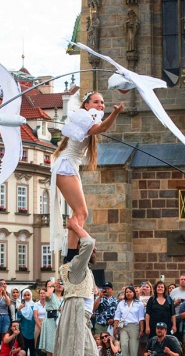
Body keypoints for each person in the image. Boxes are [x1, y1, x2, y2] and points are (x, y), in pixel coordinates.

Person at [46, 217, 106, 356]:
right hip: (77, 317)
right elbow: (89, 242)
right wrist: (75, 226)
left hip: (78, 316)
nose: (92, 245)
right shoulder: (77, 266)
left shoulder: (78, 268)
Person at [49, 92, 123, 260]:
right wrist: (116, 113)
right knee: (82, 212)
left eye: (102, 102)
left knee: (79, 213)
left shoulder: (89, 119)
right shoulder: (82, 116)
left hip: (69, 166)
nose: (100, 105)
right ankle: (72, 253)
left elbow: (99, 127)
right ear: (86, 105)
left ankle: (72, 251)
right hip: (66, 166)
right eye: (96, 102)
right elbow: (102, 128)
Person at [113, 286, 146, 356]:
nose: (128, 293)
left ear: (134, 293)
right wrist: (115, 328)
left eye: (130, 292)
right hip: (123, 327)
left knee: (133, 347)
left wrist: (141, 330)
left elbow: (141, 318)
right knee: (124, 345)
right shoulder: (121, 303)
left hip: (134, 326)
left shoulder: (139, 304)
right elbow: (117, 317)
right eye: (127, 292)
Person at [40, 279, 62, 356]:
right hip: (50, 319)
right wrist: (52, 286)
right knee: (50, 343)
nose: (60, 285)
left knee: (59, 342)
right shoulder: (50, 295)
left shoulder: (64, 297)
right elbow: (48, 295)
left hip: (61, 318)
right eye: (49, 285)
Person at [16, 289, 37, 356]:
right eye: (25, 295)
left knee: (32, 350)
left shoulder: (35, 305)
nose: (27, 297)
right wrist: (20, 309)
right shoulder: (21, 306)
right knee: (24, 349)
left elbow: (36, 317)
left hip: (32, 329)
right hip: (24, 329)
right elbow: (18, 318)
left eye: (28, 295)